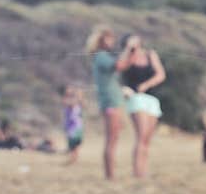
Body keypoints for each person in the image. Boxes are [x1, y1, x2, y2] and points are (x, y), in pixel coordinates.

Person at [118, 34, 166, 178]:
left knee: (147, 139)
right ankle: (137, 172)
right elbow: (119, 68)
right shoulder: (126, 57)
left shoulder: (150, 55)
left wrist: (146, 85)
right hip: (136, 98)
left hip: (152, 98)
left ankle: (143, 171)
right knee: (141, 136)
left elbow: (161, 74)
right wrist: (128, 50)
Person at [87, 26, 126, 180]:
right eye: (109, 38)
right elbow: (119, 65)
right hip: (110, 102)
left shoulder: (102, 56)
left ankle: (111, 173)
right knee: (111, 138)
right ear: (102, 40)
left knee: (114, 138)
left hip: (112, 101)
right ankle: (110, 175)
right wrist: (129, 49)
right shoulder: (102, 56)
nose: (112, 41)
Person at [61, 85, 85, 166]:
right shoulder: (68, 101)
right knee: (72, 144)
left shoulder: (78, 102)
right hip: (70, 127)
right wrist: (77, 96)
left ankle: (74, 159)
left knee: (76, 143)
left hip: (77, 126)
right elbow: (69, 104)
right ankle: (72, 158)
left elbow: (83, 104)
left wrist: (80, 96)